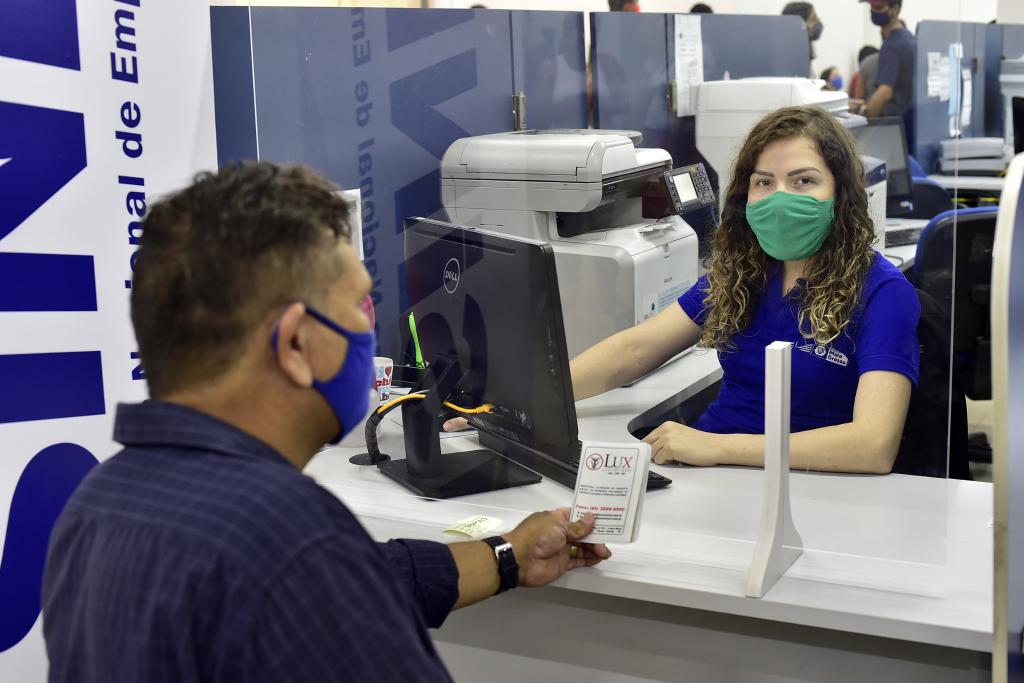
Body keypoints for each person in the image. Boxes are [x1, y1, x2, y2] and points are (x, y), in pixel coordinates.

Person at [41, 163, 611, 683]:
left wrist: (508, 553)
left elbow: (359, 581)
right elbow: (313, 575)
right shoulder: (289, 540)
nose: (368, 327)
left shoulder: (97, 504)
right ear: (295, 343)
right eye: (358, 305)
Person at [450, 106, 920, 475]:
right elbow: (634, 350)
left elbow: (872, 446)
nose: (780, 198)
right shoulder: (744, 273)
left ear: (841, 194)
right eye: (764, 182)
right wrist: (517, 400)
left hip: (806, 486)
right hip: (714, 476)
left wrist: (718, 447)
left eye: (804, 181)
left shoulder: (882, 293)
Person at [859, 0, 916, 139]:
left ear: (894, 10)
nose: (872, 11)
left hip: (892, 128)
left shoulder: (891, 45)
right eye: (871, 6)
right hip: (910, 125)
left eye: (878, 7)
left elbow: (884, 93)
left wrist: (863, 118)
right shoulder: (910, 39)